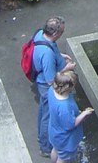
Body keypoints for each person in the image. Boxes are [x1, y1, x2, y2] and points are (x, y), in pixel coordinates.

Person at [33, 16, 75, 158]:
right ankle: (45, 147)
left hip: (42, 80)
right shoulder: (47, 54)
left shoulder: (40, 34)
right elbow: (51, 79)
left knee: (43, 110)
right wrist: (67, 68)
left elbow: (51, 47)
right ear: (56, 34)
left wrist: (60, 55)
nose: (63, 33)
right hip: (45, 86)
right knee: (47, 115)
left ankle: (42, 139)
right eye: (62, 31)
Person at [48, 70, 94, 162]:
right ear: (69, 87)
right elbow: (70, 124)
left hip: (54, 132)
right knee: (63, 158)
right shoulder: (64, 106)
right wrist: (84, 113)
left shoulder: (51, 90)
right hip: (65, 140)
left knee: (56, 150)